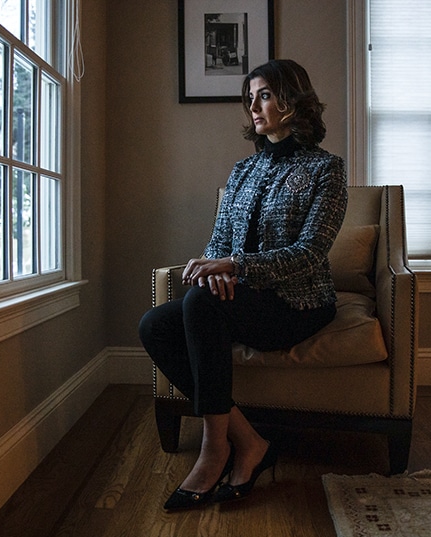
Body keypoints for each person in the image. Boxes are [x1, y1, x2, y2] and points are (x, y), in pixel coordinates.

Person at [138, 59, 347, 511]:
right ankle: (249, 441)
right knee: (154, 325)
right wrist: (214, 268)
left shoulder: (326, 169)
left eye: (265, 95)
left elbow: (310, 253)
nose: (253, 106)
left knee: (201, 303)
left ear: (293, 100)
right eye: (250, 97)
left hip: (299, 302)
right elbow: (219, 242)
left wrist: (236, 265)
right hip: (241, 299)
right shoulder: (241, 171)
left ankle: (214, 450)